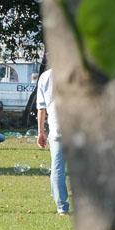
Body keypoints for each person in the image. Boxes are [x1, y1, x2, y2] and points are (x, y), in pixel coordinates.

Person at [36, 68, 69, 215]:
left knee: (57, 169)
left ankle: (61, 207)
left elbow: (41, 109)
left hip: (57, 129)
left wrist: (41, 132)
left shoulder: (45, 76)